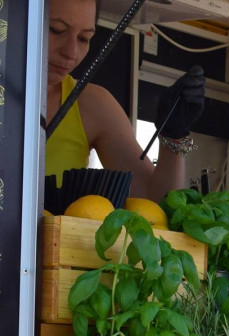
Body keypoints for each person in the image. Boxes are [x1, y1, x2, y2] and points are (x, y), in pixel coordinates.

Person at [46, 0, 205, 201]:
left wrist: (173, 136)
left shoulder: (91, 104)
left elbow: (155, 201)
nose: (71, 52)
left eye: (84, 38)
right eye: (56, 30)